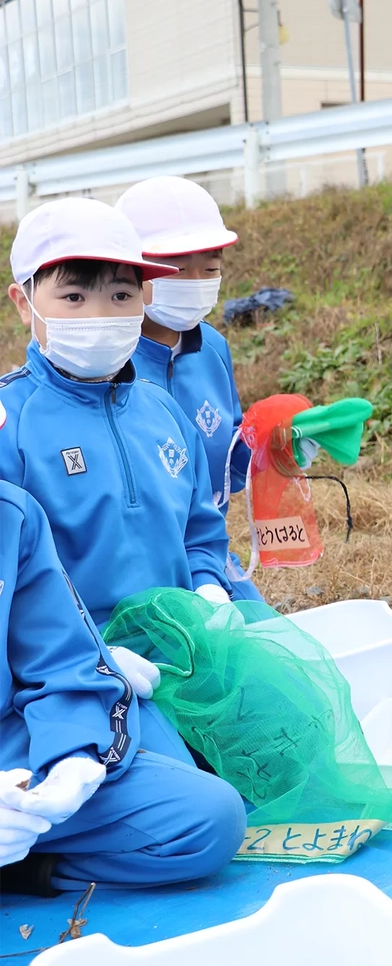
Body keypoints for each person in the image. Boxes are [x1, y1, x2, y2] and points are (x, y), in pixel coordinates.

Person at [0, 401, 246, 897]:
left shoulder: (13, 518)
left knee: (211, 817)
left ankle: (27, 868)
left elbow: (59, 659)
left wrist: (73, 754)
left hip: (15, 742)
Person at [0, 197, 233, 637]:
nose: (101, 315)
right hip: (63, 673)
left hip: (182, 643)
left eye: (121, 295)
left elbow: (200, 529)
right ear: (23, 302)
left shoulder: (163, 411)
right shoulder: (10, 426)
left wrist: (208, 588)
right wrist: (88, 659)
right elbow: (10, 585)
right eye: (74, 296)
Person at [116, 176, 261, 601]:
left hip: (210, 558)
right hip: (132, 574)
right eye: (178, 268)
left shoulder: (211, 347)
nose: (196, 281)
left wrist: (275, 449)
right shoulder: (106, 360)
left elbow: (229, 460)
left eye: (210, 268)